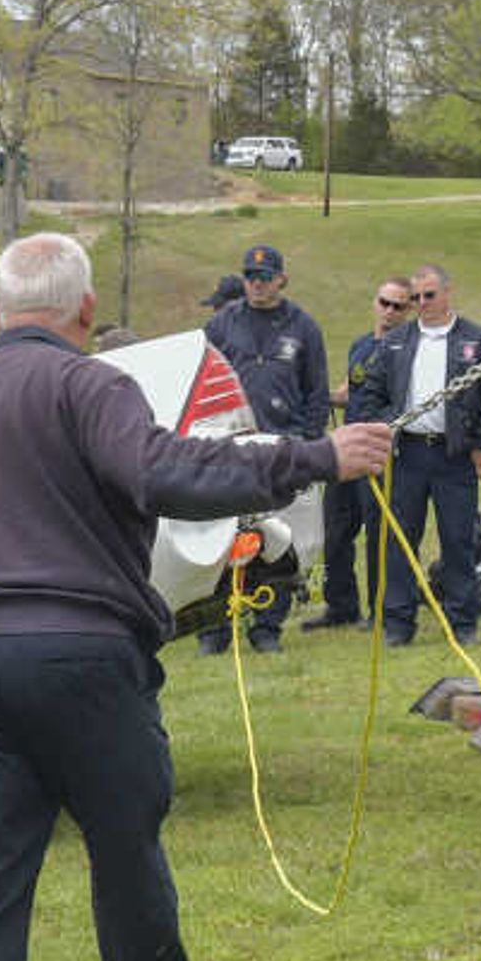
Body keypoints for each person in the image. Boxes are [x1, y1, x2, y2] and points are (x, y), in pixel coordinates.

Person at [0, 231, 394, 961]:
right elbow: (169, 473)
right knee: (125, 853)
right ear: (85, 313)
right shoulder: (91, 386)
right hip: (79, 653)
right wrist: (315, 456)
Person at [197, 243, 329, 655]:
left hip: (281, 447)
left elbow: (317, 390)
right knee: (219, 540)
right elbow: (200, 380)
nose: (257, 285)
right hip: (230, 447)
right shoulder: (221, 324)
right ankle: (215, 628)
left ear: (281, 280)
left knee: (279, 541)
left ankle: (267, 626)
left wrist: (305, 440)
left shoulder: (303, 326)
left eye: (265, 278)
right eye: (251, 277)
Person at [372, 266, 481, 647]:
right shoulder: (396, 341)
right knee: (400, 541)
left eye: (429, 295)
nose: (422, 304)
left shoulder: (477, 340)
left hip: (453, 456)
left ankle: (463, 623)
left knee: (458, 540)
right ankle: (398, 623)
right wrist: (381, 431)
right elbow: (373, 393)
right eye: (416, 298)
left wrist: (479, 441)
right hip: (407, 453)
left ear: (448, 293)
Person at [316, 273, 419, 629]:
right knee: (335, 531)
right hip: (346, 450)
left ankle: (380, 611)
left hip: (379, 452)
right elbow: (350, 390)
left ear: (409, 310)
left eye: (398, 306)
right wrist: (320, 396)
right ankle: (341, 607)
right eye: (383, 303)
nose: (388, 311)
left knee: (379, 534)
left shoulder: (408, 350)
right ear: (375, 303)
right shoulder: (361, 345)